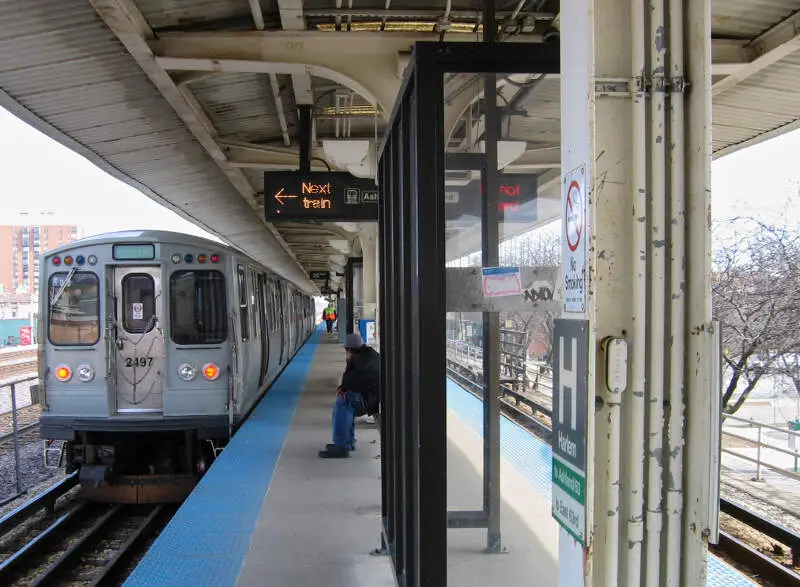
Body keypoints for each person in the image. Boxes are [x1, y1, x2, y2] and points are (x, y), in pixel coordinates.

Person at [318, 332, 380, 458]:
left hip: (371, 398)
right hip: (372, 395)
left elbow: (350, 380)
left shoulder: (364, 361)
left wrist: (343, 389)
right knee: (345, 399)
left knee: (344, 401)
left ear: (350, 349)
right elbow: (351, 380)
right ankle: (348, 442)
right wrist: (344, 387)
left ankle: (342, 446)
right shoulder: (367, 355)